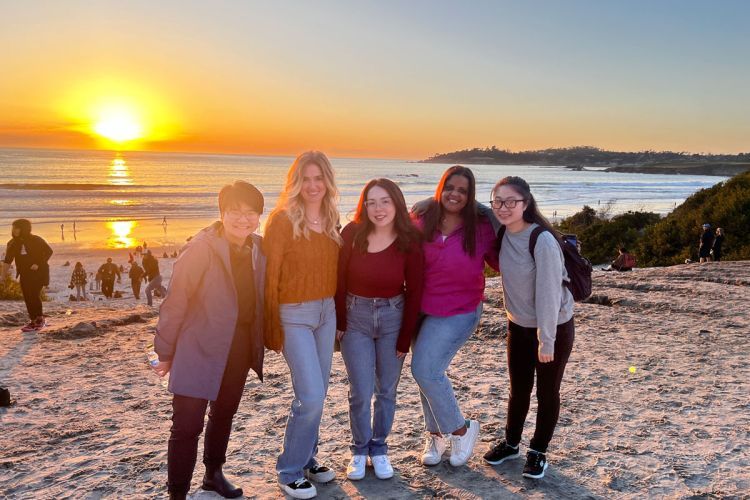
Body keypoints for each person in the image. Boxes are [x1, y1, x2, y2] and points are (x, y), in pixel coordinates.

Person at [152, 180, 267, 500]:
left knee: (224, 413)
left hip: (240, 346)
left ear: (260, 216)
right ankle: (177, 494)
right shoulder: (201, 248)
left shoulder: (258, 248)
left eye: (251, 213)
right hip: (198, 347)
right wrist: (163, 352)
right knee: (187, 425)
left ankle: (213, 475)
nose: (243, 219)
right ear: (222, 213)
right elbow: (175, 302)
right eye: (235, 211)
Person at [483, 176, 575, 480]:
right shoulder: (502, 230)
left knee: (547, 393)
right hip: (517, 326)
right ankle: (511, 444)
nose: (504, 207)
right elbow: (471, 207)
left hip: (552, 327)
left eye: (512, 202)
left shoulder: (542, 239)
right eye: (498, 200)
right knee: (518, 390)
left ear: (526, 204)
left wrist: (545, 340)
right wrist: (425, 204)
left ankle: (538, 451)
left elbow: (549, 292)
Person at [263, 151, 342, 499]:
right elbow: (269, 277)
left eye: (318, 178)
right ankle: (289, 469)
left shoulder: (331, 217)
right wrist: (271, 328)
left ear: (327, 181)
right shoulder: (281, 220)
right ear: (296, 182)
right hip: (292, 314)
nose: (312, 185)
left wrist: (339, 317)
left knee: (319, 393)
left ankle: (308, 457)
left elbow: (336, 273)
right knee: (309, 395)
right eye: (305, 179)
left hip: (327, 313)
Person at [410, 166, 499, 468]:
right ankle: (435, 434)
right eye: (450, 187)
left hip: (459, 309)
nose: (455, 194)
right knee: (428, 372)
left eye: (463, 190)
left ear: (470, 196)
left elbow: (503, 261)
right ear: (441, 187)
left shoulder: (481, 227)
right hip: (419, 309)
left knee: (425, 369)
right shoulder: (423, 219)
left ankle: (461, 429)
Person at [335, 179, 423, 481]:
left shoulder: (409, 240)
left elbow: (415, 291)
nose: (378, 208)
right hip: (355, 316)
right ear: (363, 205)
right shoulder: (351, 234)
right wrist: (340, 321)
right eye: (371, 202)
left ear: (396, 203)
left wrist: (404, 336)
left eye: (384, 201)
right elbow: (339, 280)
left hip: (393, 318)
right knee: (360, 391)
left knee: (386, 390)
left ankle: (380, 448)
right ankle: (359, 450)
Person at [2, 219, 53, 331]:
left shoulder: (36, 240)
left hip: (39, 272)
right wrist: (3, 276)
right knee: (27, 296)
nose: (14, 230)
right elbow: (7, 260)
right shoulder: (12, 243)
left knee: (33, 294)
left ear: (24, 228)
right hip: (24, 273)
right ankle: (33, 320)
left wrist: (38, 263)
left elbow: (49, 251)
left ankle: (39, 319)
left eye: (17, 227)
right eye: (13, 228)